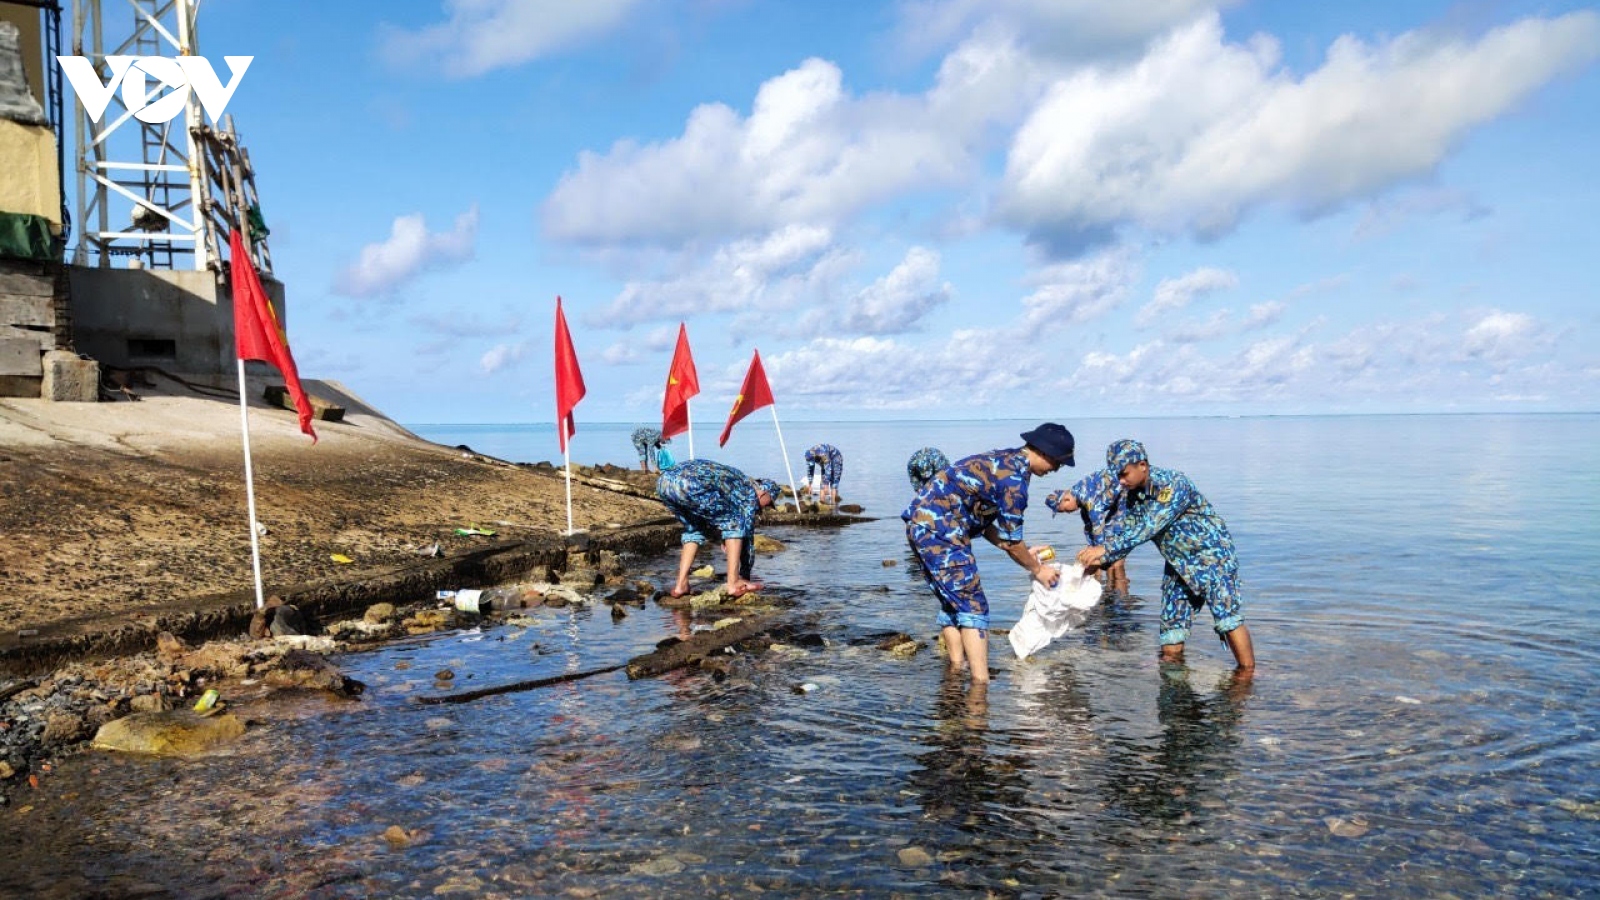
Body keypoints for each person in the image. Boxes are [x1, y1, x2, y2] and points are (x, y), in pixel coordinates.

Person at [902, 423, 1074, 684]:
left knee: (953, 603)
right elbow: (1012, 543)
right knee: (974, 606)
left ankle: (956, 671)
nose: (1056, 470)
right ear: (1045, 452)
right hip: (942, 531)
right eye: (1058, 463)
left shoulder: (1003, 460)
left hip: (921, 525)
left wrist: (1023, 551)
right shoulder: (1014, 481)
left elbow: (987, 525)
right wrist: (1038, 569)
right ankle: (980, 686)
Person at [1077, 440, 1256, 671]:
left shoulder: (1173, 485)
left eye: (1124, 474)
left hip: (1211, 557)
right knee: (1171, 627)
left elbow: (1150, 526)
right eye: (1118, 477)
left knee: (1227, 618)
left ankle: (1248, 674)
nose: (1121, 481)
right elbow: (1128, 531)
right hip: (1177, 563)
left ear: (1142, 465)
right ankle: (1173, 676)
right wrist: (1100, 562)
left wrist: (1104, 549)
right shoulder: (1133, 496)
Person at [656, 458, 779, 600]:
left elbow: (717, 515)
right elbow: (745, 534)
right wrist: (745, 575)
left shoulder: (736, 480)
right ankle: (733, 583)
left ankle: (681, 584)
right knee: (735, 523)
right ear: (763, 493)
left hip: (664, 483)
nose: (764, 509)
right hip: (689, 483)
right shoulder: (748, 491)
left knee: (694, 528)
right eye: (769, 503)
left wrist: (724, 537)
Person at [1045, 468, 1129, 590]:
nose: (1067, 513)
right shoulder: (1083, 507)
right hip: (1117, 500)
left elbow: (1098, 527)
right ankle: (1107, 592)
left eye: (1065, 510)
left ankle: (1121, 600)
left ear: (1067, 499)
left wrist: (1097, 553)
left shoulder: (1086, 498)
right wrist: (1091, 549)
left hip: (1125, 496)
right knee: (1102, 560)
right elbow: (1089, 529)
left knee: (1116, 563)